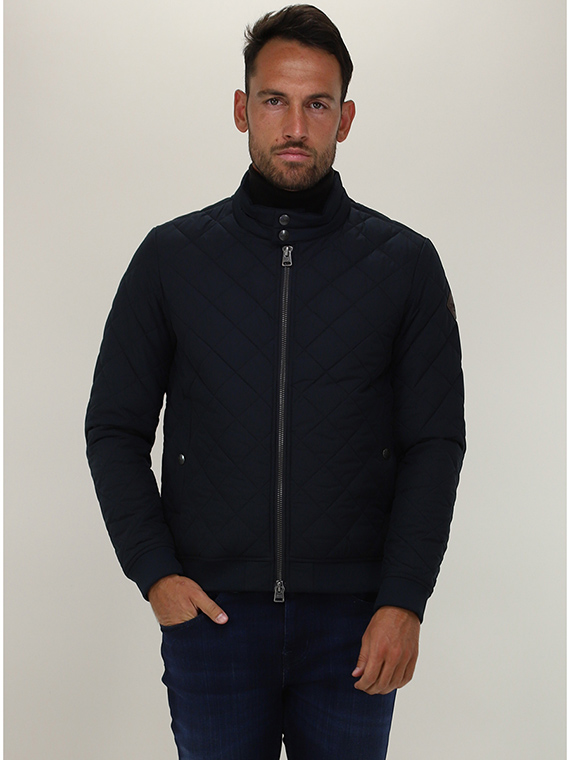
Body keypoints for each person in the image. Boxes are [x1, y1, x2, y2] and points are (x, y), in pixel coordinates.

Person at [85, 5, 465, 759]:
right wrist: (156, 575)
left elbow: (435, 443)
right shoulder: (171, 258)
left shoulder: (406, 265)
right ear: (241, 109)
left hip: (356, 624)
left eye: (317, 104)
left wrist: (404, 600)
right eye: (274, 101)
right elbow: (114, 429)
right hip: (213, 621)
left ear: (345, 119)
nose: (295, 126)